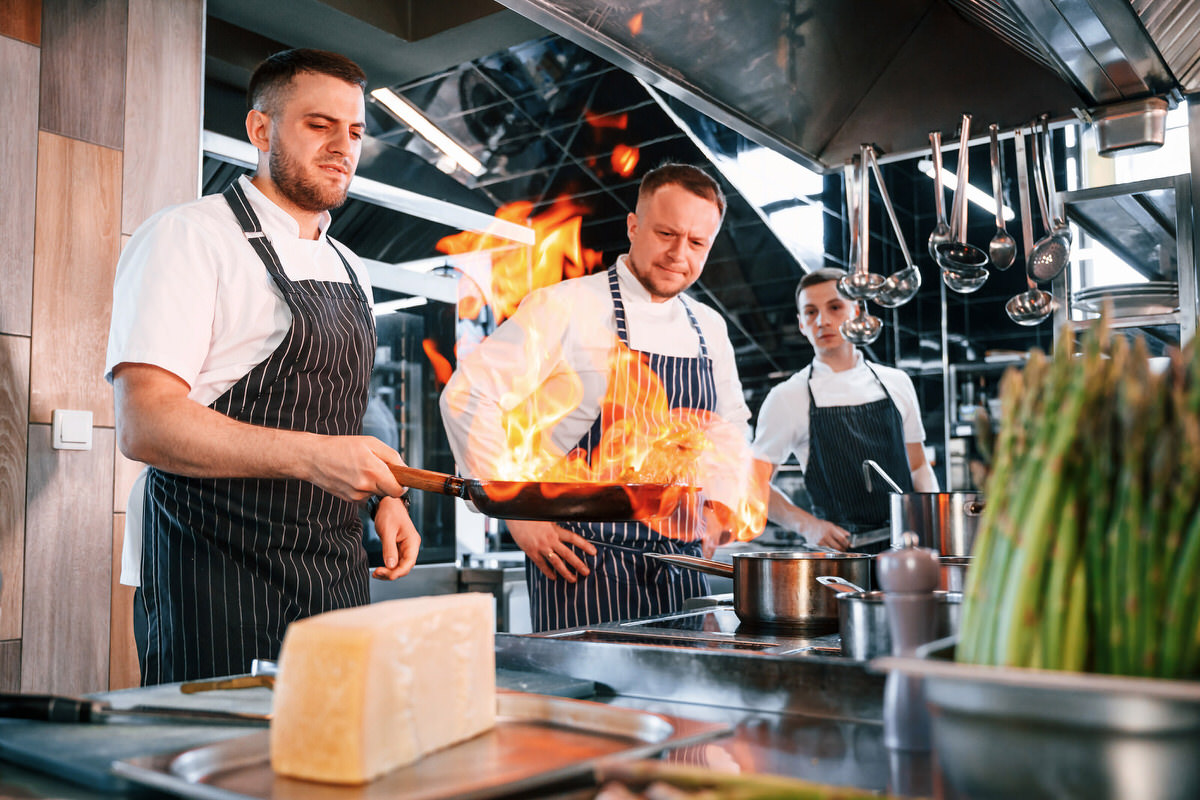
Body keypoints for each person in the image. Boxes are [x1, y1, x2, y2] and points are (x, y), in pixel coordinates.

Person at [105, 49, 420, 685]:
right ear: (260, 129)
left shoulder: (351, 267)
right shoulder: (188, 236)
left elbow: (339, 415)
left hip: (334, 566)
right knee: (222, 743)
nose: (343, 147)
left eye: (355, 131)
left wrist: (385, 496)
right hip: (214, 568)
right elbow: (146, 424)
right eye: (319, 125)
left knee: (334, 739)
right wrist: (317, 458)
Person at [440, 163, 752, 632]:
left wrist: (720, 505)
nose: (678, 254)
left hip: (683, 567)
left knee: (683, 681)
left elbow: (730, 426)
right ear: (633, 226)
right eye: (666, 233)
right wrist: (517, 516)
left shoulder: (709, 328)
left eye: (696, 242)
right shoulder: (566, 306)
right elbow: (468, 395)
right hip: (581, 560)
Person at [751, 268, 937, 551]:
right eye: (811, 312)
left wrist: (934, 525)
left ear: (857, 311)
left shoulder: (897, 382)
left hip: (908, 547)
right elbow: (753, 483)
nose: (822, 321)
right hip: (840, 557)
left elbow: (918, 466)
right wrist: (807, 526)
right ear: (801, 324)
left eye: (835, 307)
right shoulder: (787, 397)